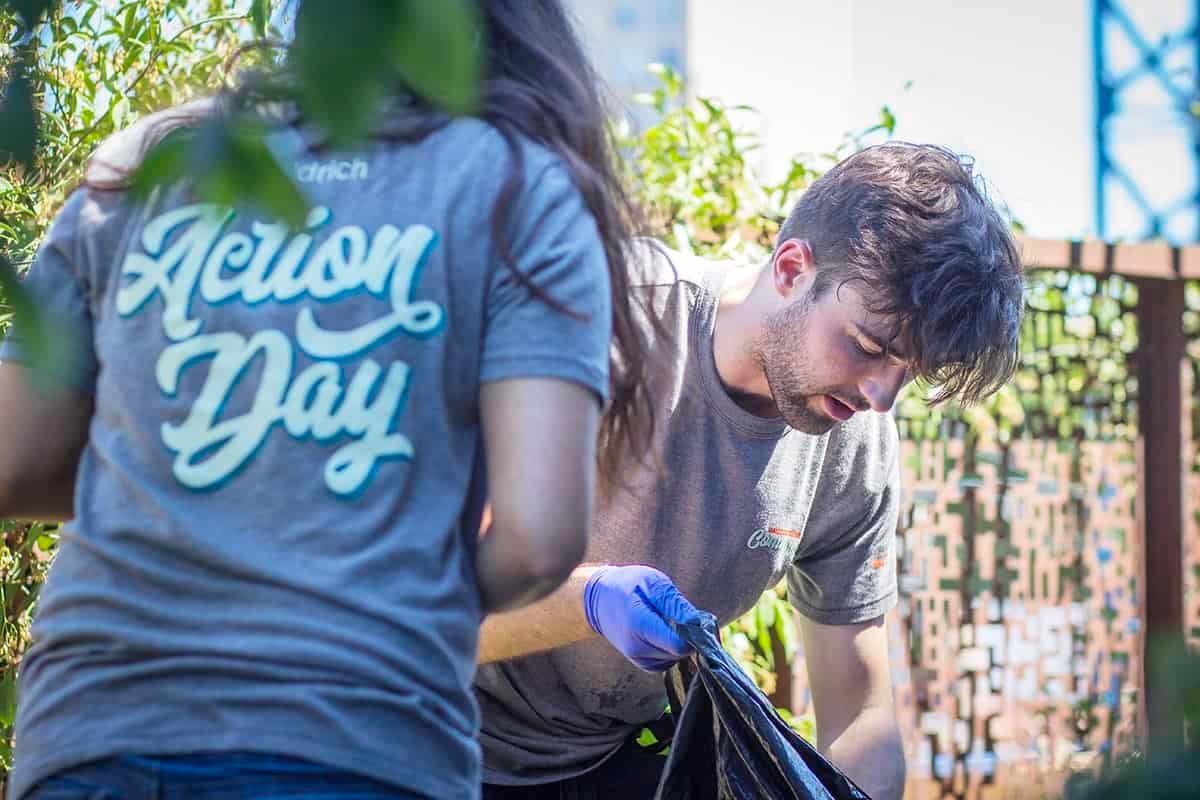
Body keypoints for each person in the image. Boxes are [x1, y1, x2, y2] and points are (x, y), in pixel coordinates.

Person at [0, 2, 656, 798]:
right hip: (359, 737)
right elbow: (538, 540)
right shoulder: (515, 187)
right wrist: (368, 584)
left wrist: (212, 481)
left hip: (94, 732)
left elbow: (13, 463)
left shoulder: (148, 160)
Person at [475, 142, 1025, 800]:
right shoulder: (601, 320)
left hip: (613, 758)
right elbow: (425, 604)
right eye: (869, 347)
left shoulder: (856, 437)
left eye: (908, 373)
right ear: (791, 268)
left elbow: (859, 711)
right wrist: (592, 603)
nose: (881, 396)